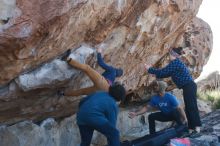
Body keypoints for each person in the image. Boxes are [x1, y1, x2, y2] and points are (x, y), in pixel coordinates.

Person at [144, 47, 201, 134]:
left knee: (191, 107)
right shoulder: (175, 63)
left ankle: (196, 129)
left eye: (170, 54)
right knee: (189, 107)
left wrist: (149, 69)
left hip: (189, 86)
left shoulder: (175, 63)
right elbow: (165, 73)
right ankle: (191, 129)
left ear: (174, 55)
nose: (169, 56)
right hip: (188, 87)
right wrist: (155, 74)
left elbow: (163, 72)